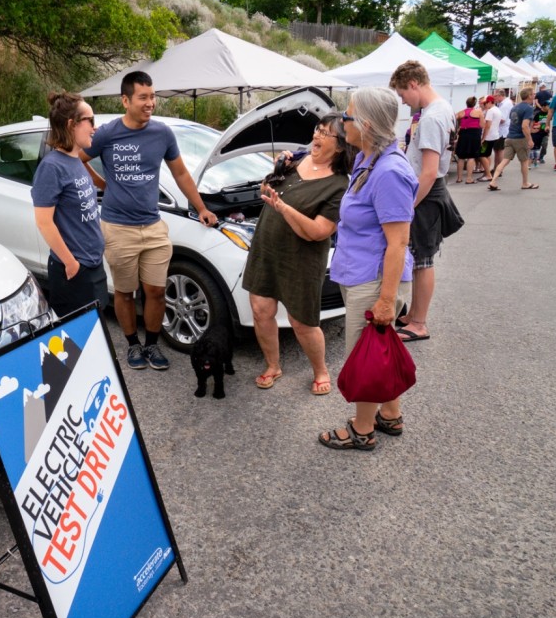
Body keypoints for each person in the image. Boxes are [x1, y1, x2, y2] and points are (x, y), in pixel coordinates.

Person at [81, 71, 217, 371]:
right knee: (125, 292)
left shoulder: (162, 134)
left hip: (153, 226)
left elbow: (181, 174)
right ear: (126, 100)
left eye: (152, 96)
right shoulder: (107, 133)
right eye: (143, 97)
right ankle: (132, 345)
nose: (150, 103)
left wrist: (201, 208)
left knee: (155, 290)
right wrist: (102, 183)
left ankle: (153, 345)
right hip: (118, 227)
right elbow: (77, 157)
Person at [318, 87, 415, 451]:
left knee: (365, 356)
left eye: (347, 115)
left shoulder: (389, 171)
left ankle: (361, 429)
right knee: (375, 350)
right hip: (358, 272)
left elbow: (398, 243)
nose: (342, 121)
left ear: (367, 124)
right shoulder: (367, 158)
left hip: (374, 280)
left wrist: (387, 302)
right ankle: (389, 414)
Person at [242, 113, 349, 394]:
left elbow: (317, 231)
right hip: (267, 248)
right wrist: (274, 173)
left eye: (325, 133)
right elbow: (265, 190)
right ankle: (273, 365)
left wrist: (283, 207)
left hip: (301, 259)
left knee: (302, 321)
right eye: (317, 129)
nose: (317, 135)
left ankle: (320, 370)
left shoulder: (339, 185)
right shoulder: (295, 160)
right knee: (261, 310)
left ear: (339, 146)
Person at [390, 60, 452, 343]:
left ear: (414, 84)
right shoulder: (439, 109)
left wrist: (408, 206)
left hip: (425, 195)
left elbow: (428, 171)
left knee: (423, 261)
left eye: (403, 94)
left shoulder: (430, 118)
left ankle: (419, 323)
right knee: (418, 258)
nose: (404, 101)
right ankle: (413, 313)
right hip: (428, 193)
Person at [32, 92, 107, 318]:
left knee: (97, 337)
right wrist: (71, 263)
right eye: (90, 121)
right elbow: (44, 222)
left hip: (93, 266)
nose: (95, 127)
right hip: (74, 272)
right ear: (71, 124)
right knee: (75, 346)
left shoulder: (76, 161)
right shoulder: (51, 167)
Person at [488, 87, 538, 190]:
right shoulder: (528, 108)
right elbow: (524, 125)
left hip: (510, 136)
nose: (534, 95)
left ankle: (493, 181)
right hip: (520, 138)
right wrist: (529, 139)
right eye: (533, 94)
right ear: (529, 95)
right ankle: (525, 183)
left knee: (505, 160)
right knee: (524, 161)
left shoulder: (515, 107)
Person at [454, 97, 484, 184]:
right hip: (474, 134)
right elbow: (482, 125)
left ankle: (459, 178)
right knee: (471, 156)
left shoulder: (461, 112)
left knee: (461, 156)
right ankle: (469, 178)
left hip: (463, 134)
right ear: (474, 104)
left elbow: (453, 120)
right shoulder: (478, 112)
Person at [480, 95, 503, 180]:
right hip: (495, 135)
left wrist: (483, 138)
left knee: (482, 155)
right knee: (487, 155)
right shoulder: (497, 110)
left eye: (485, 103)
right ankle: (487, 173)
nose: (484, 105)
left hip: (489, 137)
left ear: (490, 102)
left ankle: (488, 174)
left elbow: (488, 126)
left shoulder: (490, 111)